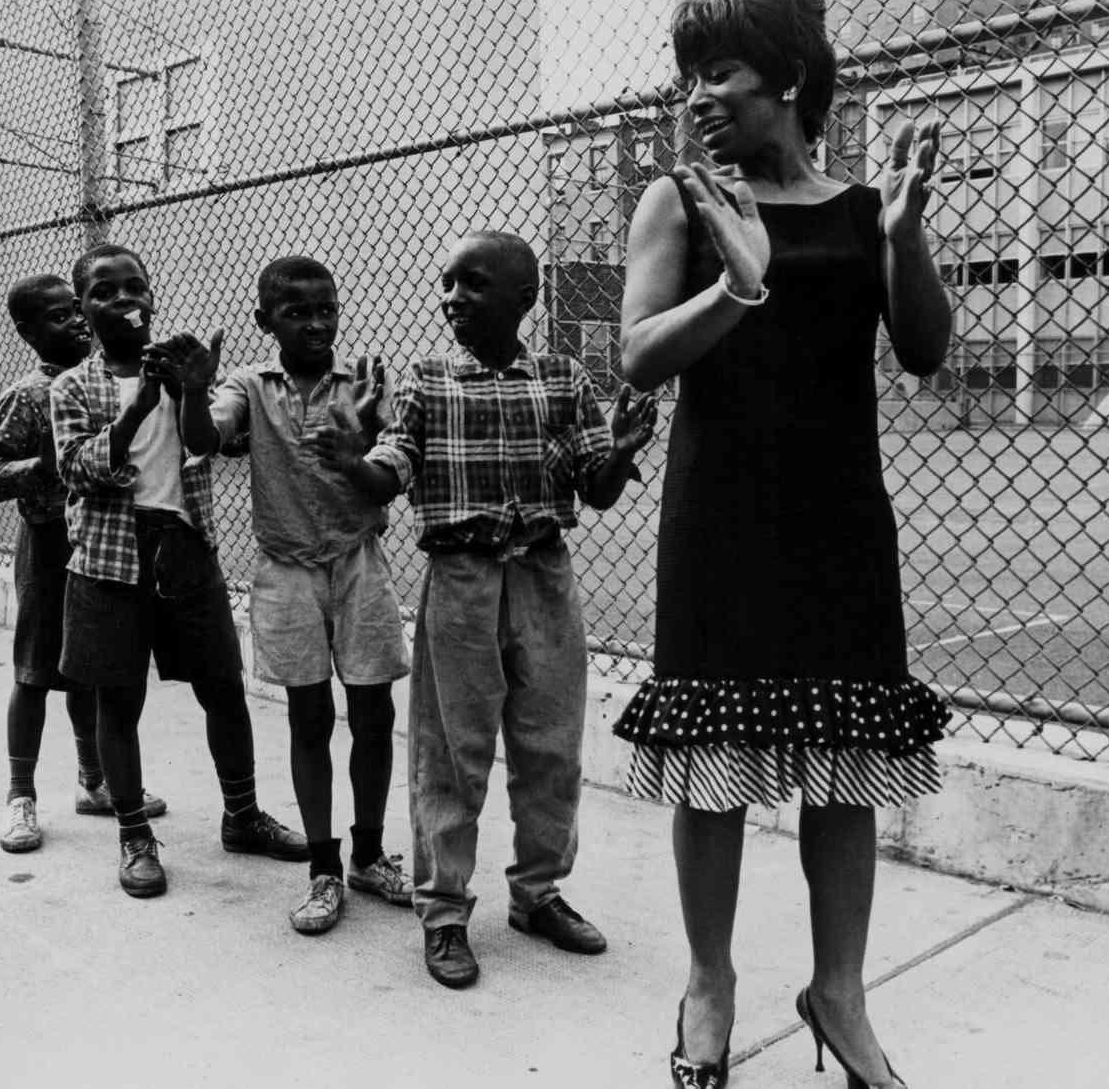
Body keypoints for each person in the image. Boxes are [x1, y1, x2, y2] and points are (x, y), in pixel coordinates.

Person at [609, 0, 953, 1088]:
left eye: (720, 73)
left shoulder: (864, 209)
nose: (696, 97)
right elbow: (638, 355)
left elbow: (925, 350)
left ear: (792, 79)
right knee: (712, 765)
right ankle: (708, 983)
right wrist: (735, 287)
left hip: (838, 520)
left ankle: (838, 992)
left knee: (845, 765)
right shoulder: (680, 202)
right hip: (720, 518)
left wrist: (905, 237)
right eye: (689, 78)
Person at [308, 230, 657, 989]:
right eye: (446, 284)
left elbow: (595, 487)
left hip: (543, 578)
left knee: (551, 745)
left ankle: (538, 893)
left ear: (524, 298)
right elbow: (393, 468)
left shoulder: (562, 378)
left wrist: (621, 453)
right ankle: (443, 909)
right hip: (461, 582)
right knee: (450, 751)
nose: (452, 299)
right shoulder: (429, 382)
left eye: (472, 283)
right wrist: (353, 463)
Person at [50, 243, 307, 900]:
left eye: (134, 286)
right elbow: (78, 469)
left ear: (152, 296)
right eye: (104, 291)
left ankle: (242, 815)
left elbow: (213, 441)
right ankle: (134, 834)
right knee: (118, 699)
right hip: (108, 561)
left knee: (223, 687)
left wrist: (192, 387)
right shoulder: (72, 387)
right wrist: (138, 406)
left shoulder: (182, 369)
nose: (123, 300)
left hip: (185, 550)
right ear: (82, 309)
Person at [186, 255, 412, 935]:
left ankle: (369, 853)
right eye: (297, 312)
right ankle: (324, 866)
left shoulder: (364, 383)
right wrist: (191, 393)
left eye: (326, 310)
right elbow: (205, 436)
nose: (317, 324)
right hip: (286, 571)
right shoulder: (248, 387)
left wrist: (360, 448)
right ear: (265, 321)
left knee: (373, 713)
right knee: (308, 718)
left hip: (358, 561)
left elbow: (394, 464)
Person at [0, 273, 166, 853]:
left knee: (89, 667)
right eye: (58, 317)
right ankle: (20, 796)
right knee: (35, 672)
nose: (77, 323)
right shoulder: (29, 395)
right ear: (27, 331)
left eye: (75, 312)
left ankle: (94, 780)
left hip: (100, 542)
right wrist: (40, 466)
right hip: (48, 546)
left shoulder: (104, 380)